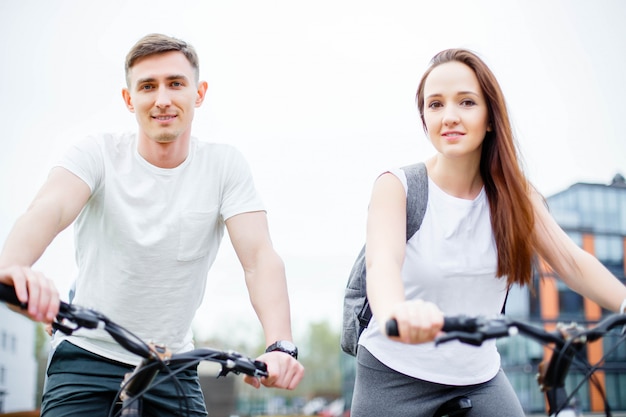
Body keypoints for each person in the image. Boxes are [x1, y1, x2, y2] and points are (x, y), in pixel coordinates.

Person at [0, 33, 304, 416]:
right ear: (130, 99)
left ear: (199, 92)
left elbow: (259, 259)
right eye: (147, 86)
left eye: (175, 83)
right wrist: (12, 270)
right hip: (87, 355)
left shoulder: (225, 166)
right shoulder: (97, 153)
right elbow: (49, 209)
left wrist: (280, 345)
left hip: (171, 364)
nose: (162, 98)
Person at [351, 48, 626, 417]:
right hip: (395, 376)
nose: (449, 116)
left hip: (479, 377)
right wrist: (397, 314)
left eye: (466, 102)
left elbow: (572, 262)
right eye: (435, 105)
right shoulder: (397, 187)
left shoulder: (516, 196)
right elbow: (382, 264)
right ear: (424, 118)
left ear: (490, 117)